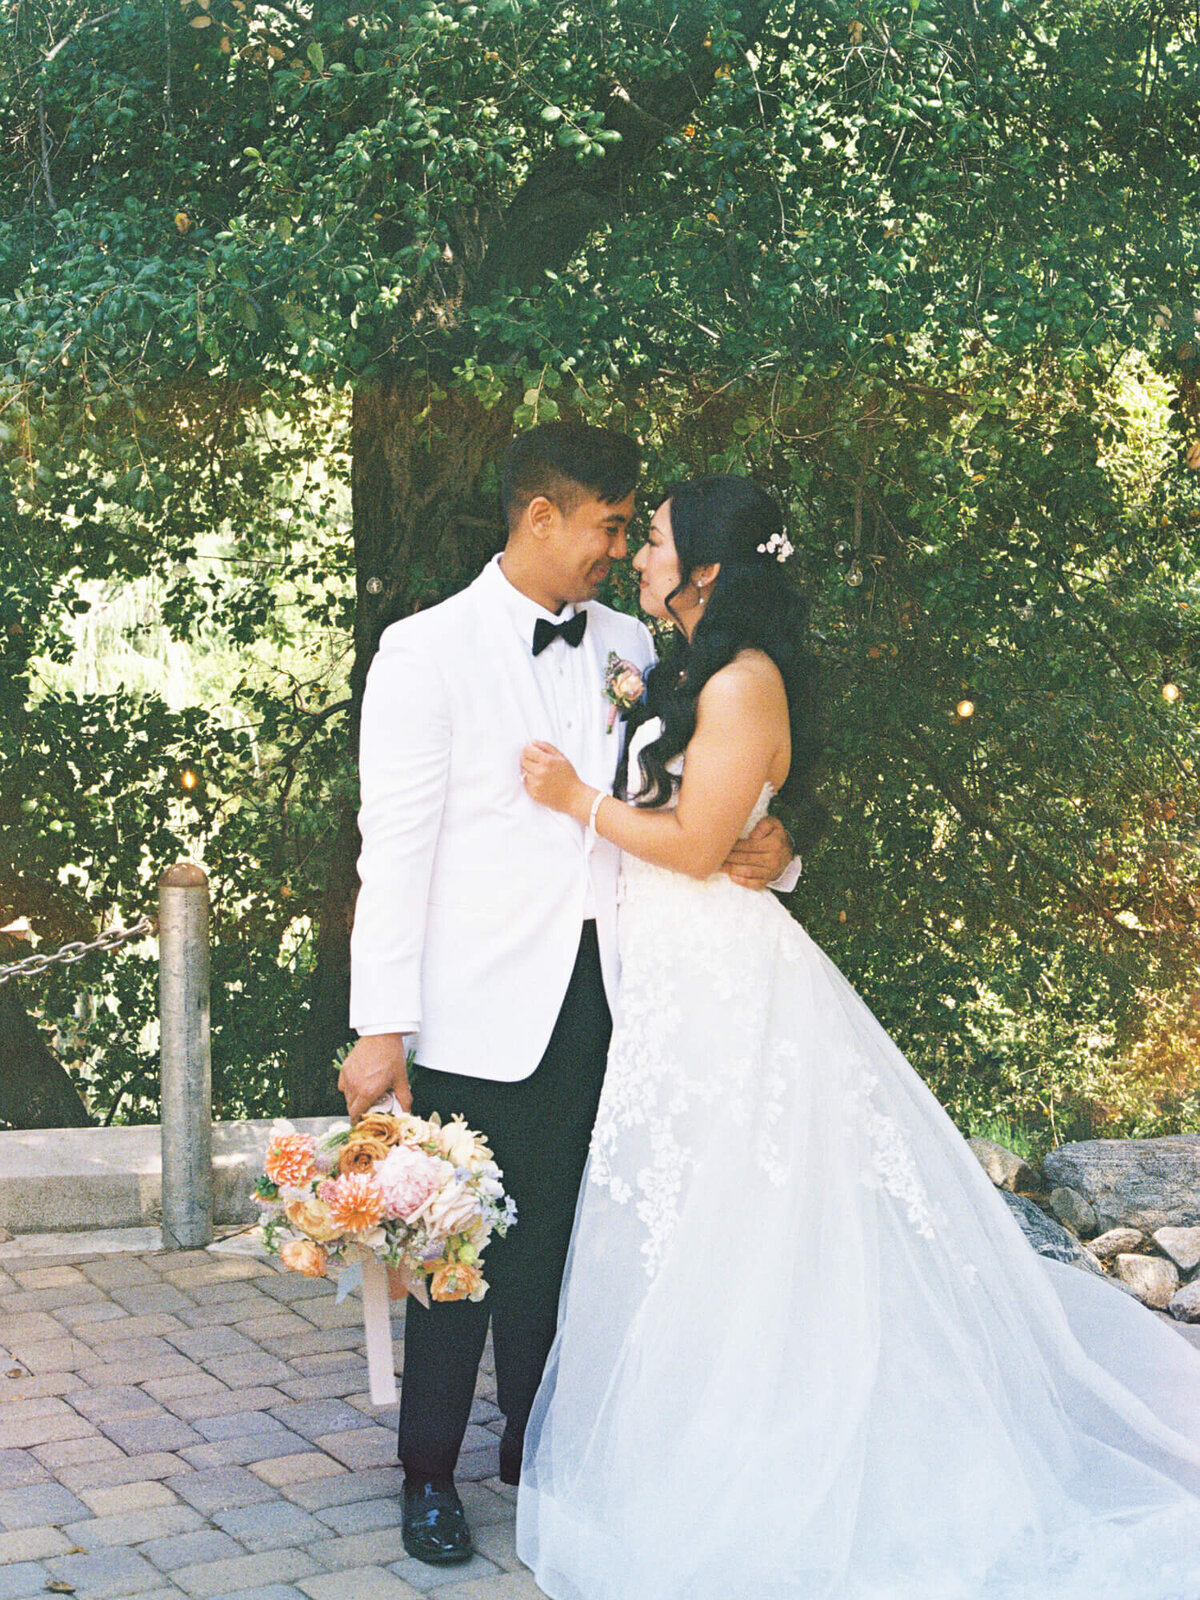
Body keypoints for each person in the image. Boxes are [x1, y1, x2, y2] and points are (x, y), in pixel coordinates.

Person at [516, 474, 1200, 1600]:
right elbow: (739, 829)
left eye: (660, 543)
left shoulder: (743, 681)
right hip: (677, 988)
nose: (640, 557)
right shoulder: (682, 667)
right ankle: (698, 1454)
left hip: (731, 989)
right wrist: (766, 841)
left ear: (710, 573)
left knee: (748, 1219)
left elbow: (693, 844)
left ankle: (777, 1474)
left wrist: (570, 799)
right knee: (689, 1215)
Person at [337, 427, 797, 1567]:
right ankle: (430, 1474)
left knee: (569, 1246)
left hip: (624, 998)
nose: (618, 543)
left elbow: (716, 786)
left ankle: (538, 1450)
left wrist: (783, 845)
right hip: (476, 1005)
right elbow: (390, 852)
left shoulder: (638, 642)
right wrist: (379, 1026)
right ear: (540, 515)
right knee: (462, 1252)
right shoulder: (423, 650)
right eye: (608, 522)